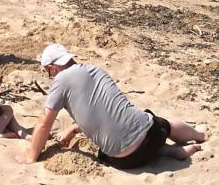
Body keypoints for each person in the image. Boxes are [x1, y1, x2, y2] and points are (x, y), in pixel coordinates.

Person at [18, 45, 206, 169]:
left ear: (52, 68)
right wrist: (73, 130)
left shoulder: (60, 80)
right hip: (152, 136)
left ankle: (173, 151)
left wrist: (31, 156)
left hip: (123, 160)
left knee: (112, 147)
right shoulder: (96, 70)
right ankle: (199, 136)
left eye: (48, 73)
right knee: (162, 123)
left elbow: (44, 123)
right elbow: (106, 111)